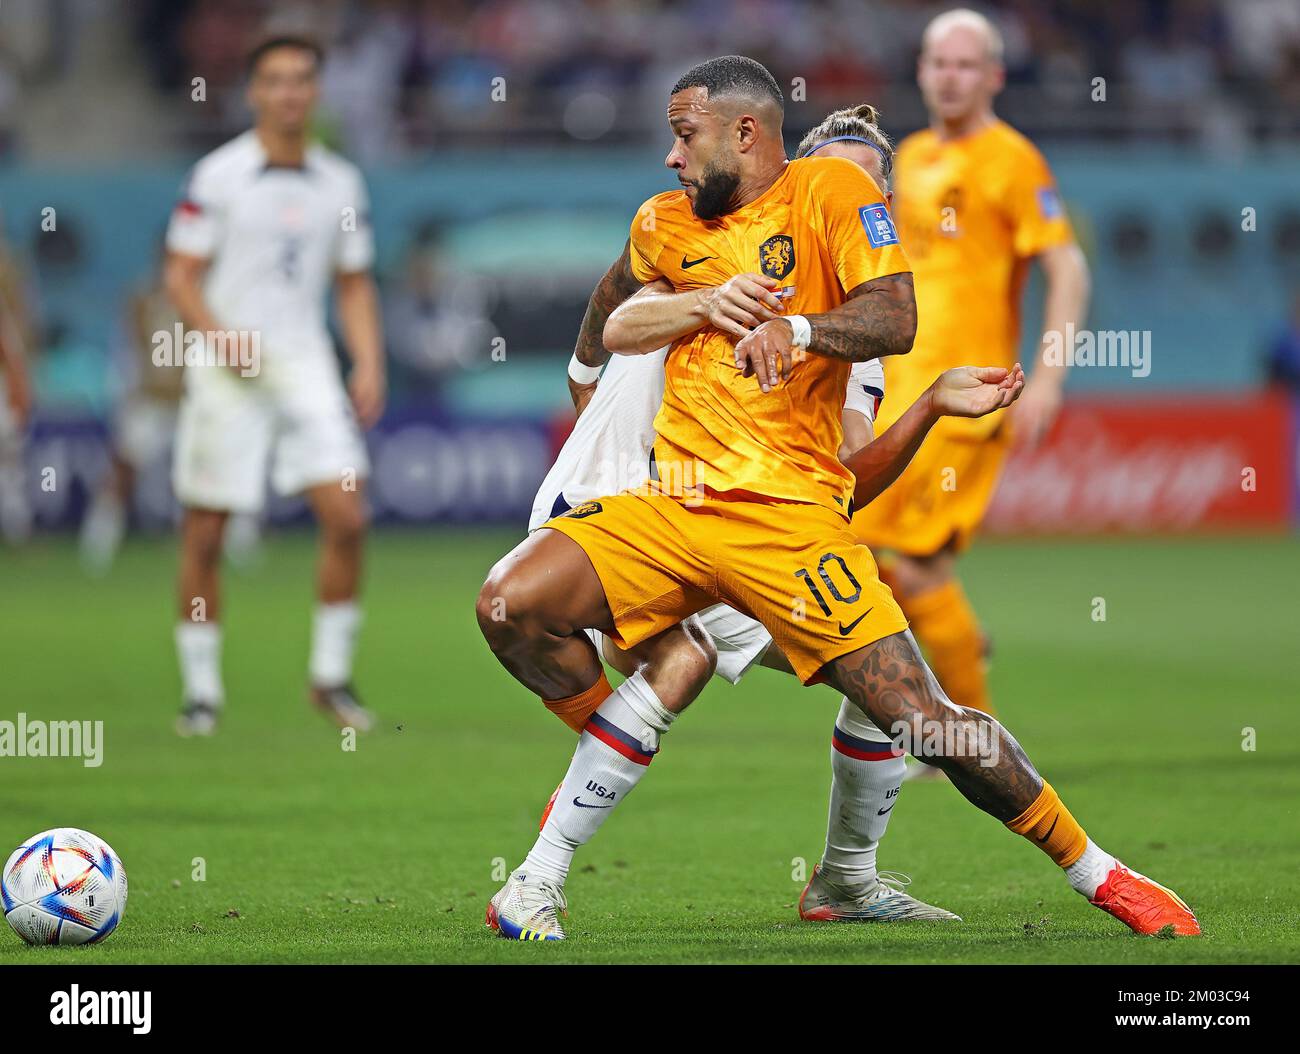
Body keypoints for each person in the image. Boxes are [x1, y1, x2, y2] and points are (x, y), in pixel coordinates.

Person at [476, 56, 1196, 941]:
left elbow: (888, 340)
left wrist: (898, 387)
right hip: (662, 504)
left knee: (917, 713)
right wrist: (631, 348)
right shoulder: (680, 222)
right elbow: (617, 309)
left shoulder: (853, 319)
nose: (670, 156)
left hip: (784, 529)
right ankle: (546, 862)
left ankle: (1100, 877)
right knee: (513, 603)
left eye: (682, 135)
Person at [852, 9, 1091, 738]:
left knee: (915, 568)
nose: (949, 76)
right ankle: (955, 640)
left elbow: (1068, 266)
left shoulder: (1012, 160)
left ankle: (972, 737)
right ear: (921, 71)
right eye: (937, 63)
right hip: (899, 396)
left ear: (993, 75)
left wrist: (1049, 377)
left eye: (965, 65)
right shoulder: (912, 156)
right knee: (846, 552)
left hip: (966, 397)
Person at [164, 35, 384, 736]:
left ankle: (330, 678)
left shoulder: (340, 181)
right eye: (275, 80)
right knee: (206, 530)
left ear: (316, 91)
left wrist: (369, 360)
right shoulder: (218, 175)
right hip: (227, 369)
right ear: (255, 91)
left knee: (348, 515)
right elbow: (179, 275)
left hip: (304, 362)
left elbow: (352, 283)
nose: (289, 92)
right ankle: (201, 692)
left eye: (301, 80)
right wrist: (216, 332)